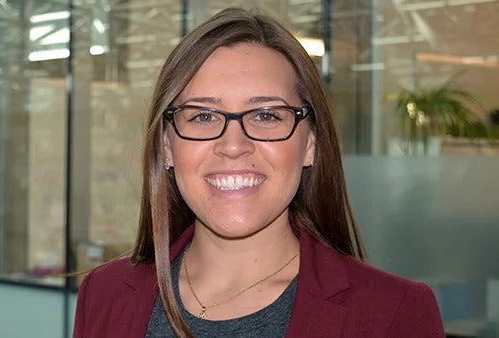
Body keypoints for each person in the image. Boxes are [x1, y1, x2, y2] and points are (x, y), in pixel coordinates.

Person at [73, 7, 444, 338]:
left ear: (310, 144)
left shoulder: (394, 314)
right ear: (167, 145)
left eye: (266, 115)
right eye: (203, 115)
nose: (233, 145)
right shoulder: (104, 294)